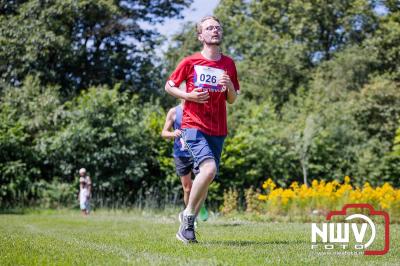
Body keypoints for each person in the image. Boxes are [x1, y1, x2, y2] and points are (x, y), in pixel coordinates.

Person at [165, 16, 240, 243]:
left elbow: (233, 99)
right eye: (209, 28)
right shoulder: (190, 62)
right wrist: (188, 96)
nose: (215, 30)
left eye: (217, 27)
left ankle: (186, 229)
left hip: (218, 128)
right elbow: (168, 86)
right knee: (208, 170)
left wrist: (228, 87)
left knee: (205, 177)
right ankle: (188, 217)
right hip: (192, 125)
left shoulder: (228, 64)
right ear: (201, 36)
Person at [161, 99, 209, 222]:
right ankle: (190, 213)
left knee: (203, 184)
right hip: (181, 154)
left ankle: (192, 217)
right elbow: (164, 133)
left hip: (198, 153)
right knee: (187, 188)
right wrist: (173, 133)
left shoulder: (199, 109)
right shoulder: (173, 112)